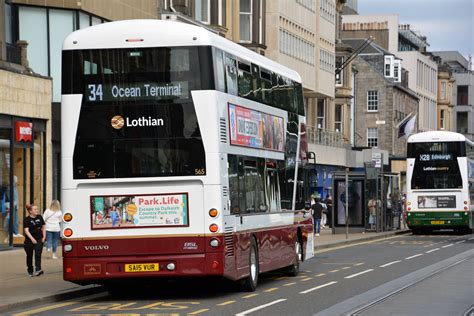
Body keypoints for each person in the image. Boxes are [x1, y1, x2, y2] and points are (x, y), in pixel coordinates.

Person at [23, 204, 45, 277]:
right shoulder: (26, 219)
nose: (37, 210)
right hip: (29, 240)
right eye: (35, 209)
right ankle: (30, 270)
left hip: (39, 238)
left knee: (38, 254)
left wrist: (44, 237)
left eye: (37, 209)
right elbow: (26, 230)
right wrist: (32, 239)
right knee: (29, 255)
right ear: (30, 211)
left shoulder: (40, 217)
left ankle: (38, 269)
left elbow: (43, 227)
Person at [2, 176, 22, 242]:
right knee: (9, 220)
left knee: (14, 219)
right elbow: (11, 198)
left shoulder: (13, 188)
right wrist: (11, 206)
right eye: (16, 180)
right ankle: (10, 234)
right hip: (11, 206)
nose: (17, 181)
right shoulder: (10, 188)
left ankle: (14, 233)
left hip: (13, 206)